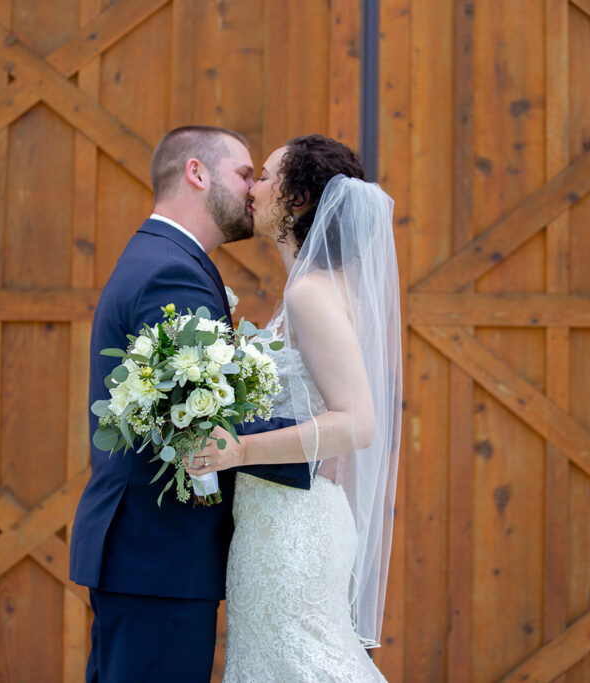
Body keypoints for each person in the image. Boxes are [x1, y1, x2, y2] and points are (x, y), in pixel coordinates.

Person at [69, 125, 312, 682]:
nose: (253, 190)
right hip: (159, 556)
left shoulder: (165, 256)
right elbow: (196, 424)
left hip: (144, 559)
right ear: (196, 173)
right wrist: (317, 447)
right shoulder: (171, 270)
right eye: (245, 173)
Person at [189, 135, 402, 681]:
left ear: (298, 198)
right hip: (276, 519)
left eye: (264, 175)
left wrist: (237, 450)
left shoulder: (310, 293)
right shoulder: (314, 287)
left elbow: (356, 423)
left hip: (293, 529)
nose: (252, 188)